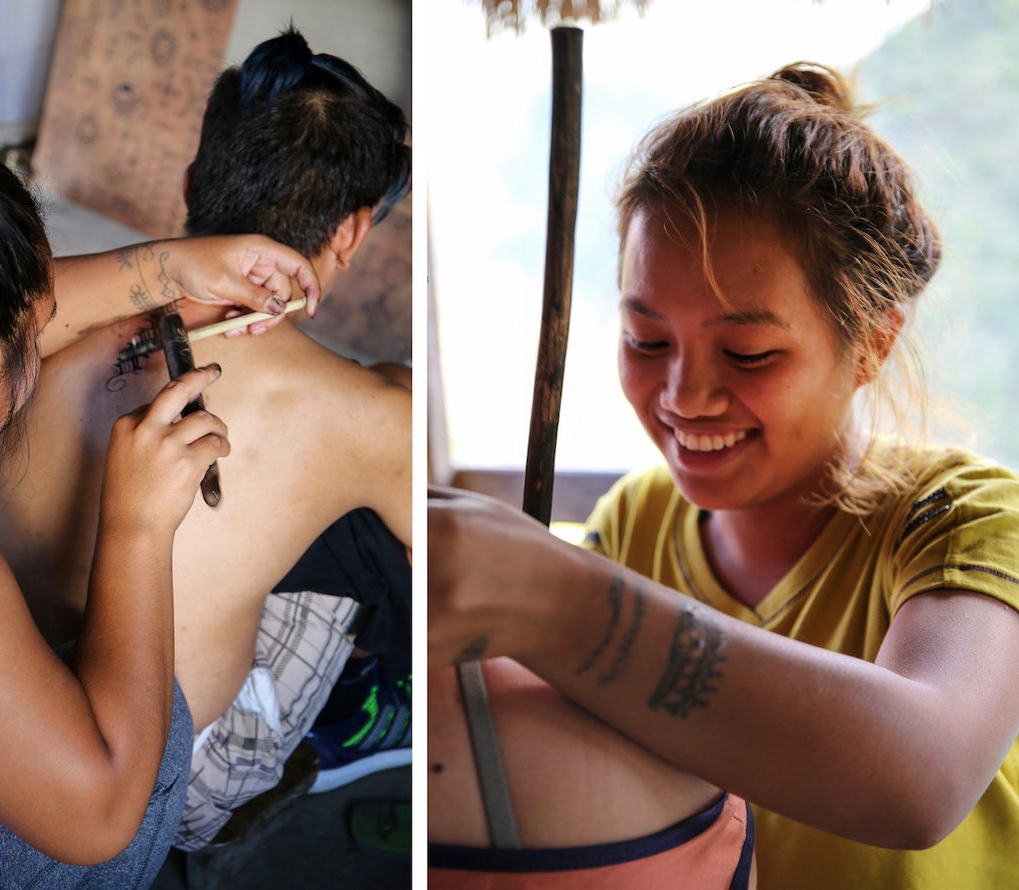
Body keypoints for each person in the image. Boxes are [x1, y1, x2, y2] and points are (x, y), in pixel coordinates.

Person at [428, 62, 1019, 890]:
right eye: (647, 340)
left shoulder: (964, 519)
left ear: (874, 343)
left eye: (748, 353)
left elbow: (925, 776)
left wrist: (555, 601)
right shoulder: (636, 519)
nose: (683, 397)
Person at [0, 54, 321, 887]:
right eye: (36, 327)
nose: (53, 327)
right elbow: (96, 815)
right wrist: (136, 528)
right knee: (155, 737)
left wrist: (172, 267)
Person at [0, 27, 413, 851]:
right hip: (153, 779)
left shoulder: (49, 310)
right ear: (350, 234)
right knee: (362, 545)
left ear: (189, 182)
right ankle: (360, 718)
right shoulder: (367, 413)